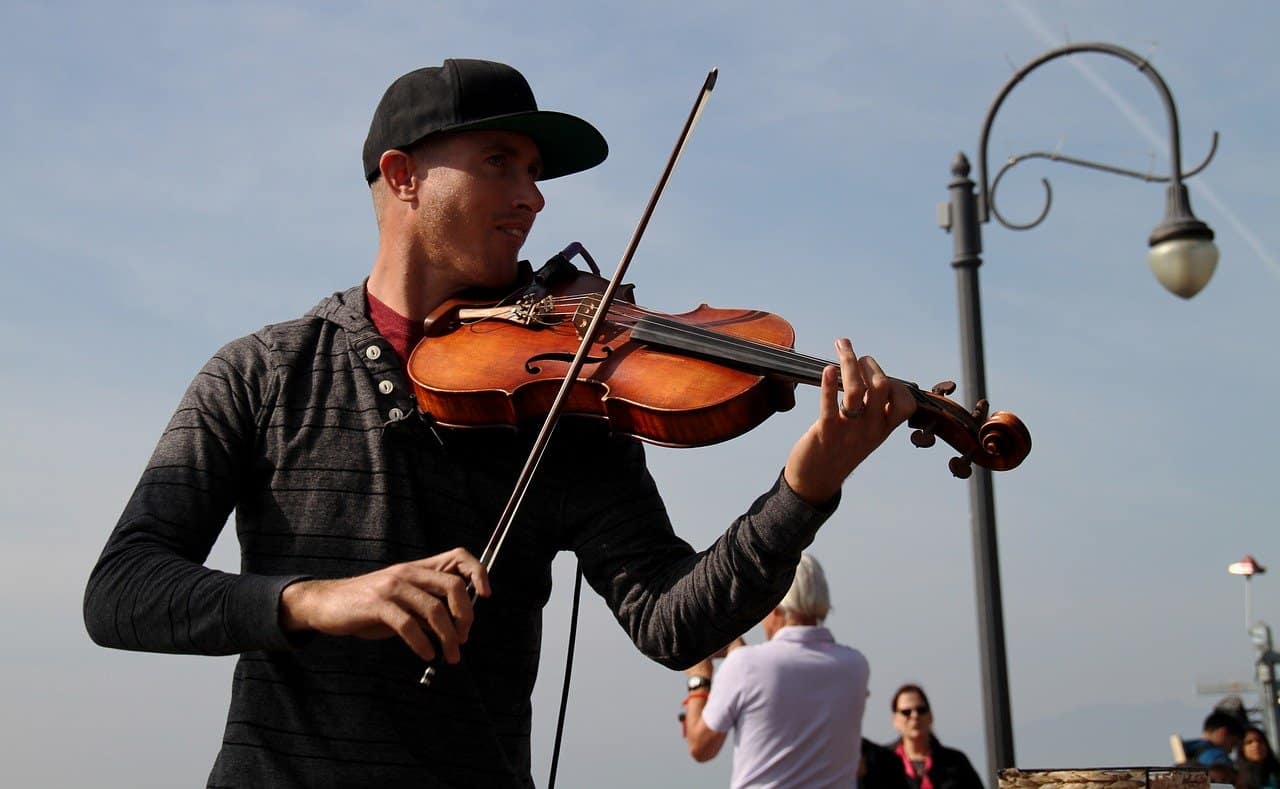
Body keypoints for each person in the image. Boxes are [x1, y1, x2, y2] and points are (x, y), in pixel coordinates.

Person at [82, 58, 917, 788]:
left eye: (535, 171)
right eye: (499, 163)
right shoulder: (263, 373)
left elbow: (672, 618)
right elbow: (122, 589)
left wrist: (806, 486)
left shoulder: (563, 398)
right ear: (403, 176)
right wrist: (316, 600)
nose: (533, 197)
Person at [679, 552, 871, 787]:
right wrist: (738, 653)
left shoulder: (745, 666)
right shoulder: (855, 667)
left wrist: (699, 678)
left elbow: (700, 747)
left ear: (775, 605)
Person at [885, 683, 985, 789]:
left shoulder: (955, 763)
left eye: (921, 710)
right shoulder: (883, 763)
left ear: (930, 716)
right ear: (895, 720)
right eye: (906, 712)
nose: (915, 716)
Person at [1182, 709, 1245, 785]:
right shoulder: (1218, 756)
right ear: (1222, 732)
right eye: (1233, 744)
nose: (1231, 751)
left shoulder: (1187, 750)